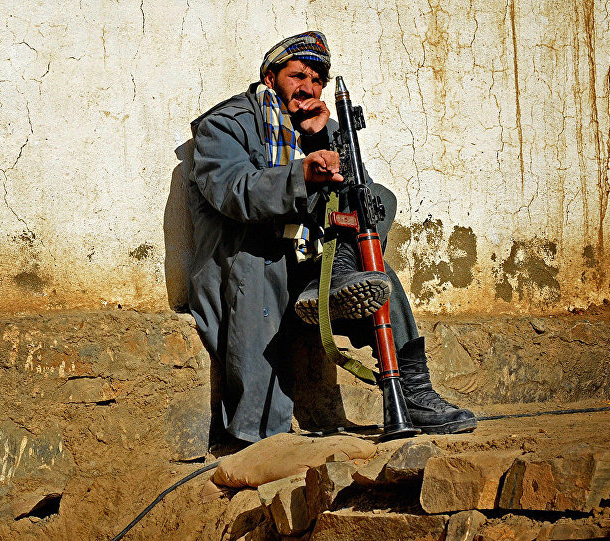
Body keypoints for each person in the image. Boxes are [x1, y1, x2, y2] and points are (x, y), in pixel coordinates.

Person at [187, 31, 476, 443]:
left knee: (377, 261)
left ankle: (413, 393)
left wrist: (321, 141)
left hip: (312, 263)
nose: (308, 88)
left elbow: (368, 201)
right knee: (259, 269)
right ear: (271, 78)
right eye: (298, 76)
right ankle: (259, 437)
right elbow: (234, 191)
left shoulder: (328, 127)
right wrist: (302, 173)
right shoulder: (226, 126)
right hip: (250, 265)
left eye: (317, 80)